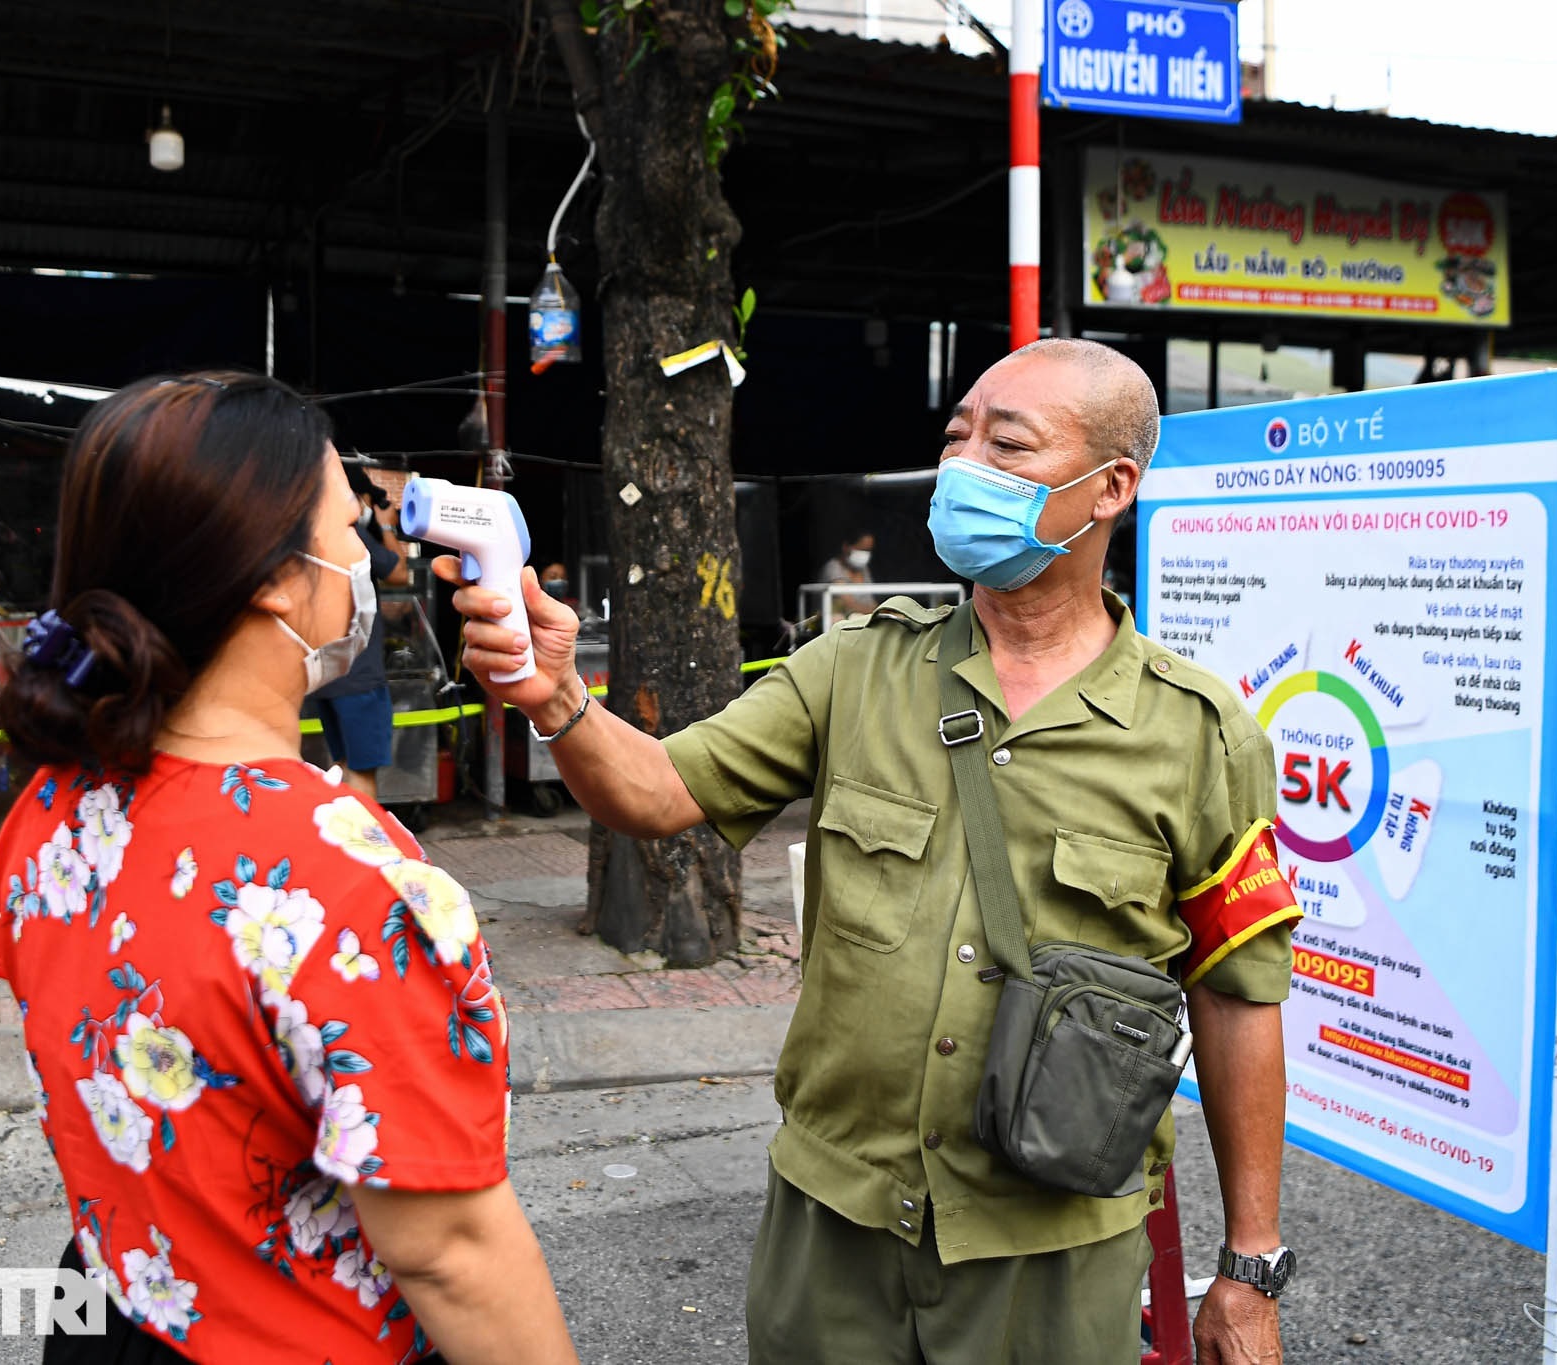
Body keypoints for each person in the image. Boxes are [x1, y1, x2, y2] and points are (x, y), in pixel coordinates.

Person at [447, 338, 1299, 1364]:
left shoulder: (1197, 733)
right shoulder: (853, 668)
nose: (962, 464)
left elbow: (1236, 993)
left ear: (1109, 486)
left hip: (1051, 1251)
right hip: (833, 1227)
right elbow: (655, 790)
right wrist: (556, 696)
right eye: (956, 438)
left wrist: (1247, 1269)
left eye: (1006, 444)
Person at [0, 372, 576, 1365]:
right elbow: (450, 1253)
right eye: (351, 528)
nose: (370, 559)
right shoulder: (349, 885)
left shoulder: (49, 810)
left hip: (114, 1317)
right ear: (270, 575)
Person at [302, 467, 412, 800]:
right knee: (362, 773)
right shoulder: (348, 532)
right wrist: (388, 525)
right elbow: (399, 573)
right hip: (359, 674)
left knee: (343, 764)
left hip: (327, 673)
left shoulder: (308, 529)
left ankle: (345, 840)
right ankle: (363, 845)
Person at [817, 528, 877, 618]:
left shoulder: (864, 569)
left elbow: (871, 601)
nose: (864, 554)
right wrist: (877, 612)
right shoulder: (833, 568)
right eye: (861, 549)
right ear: (846, 546)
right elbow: (848, 604)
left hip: (865, 620)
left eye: (868, 551)